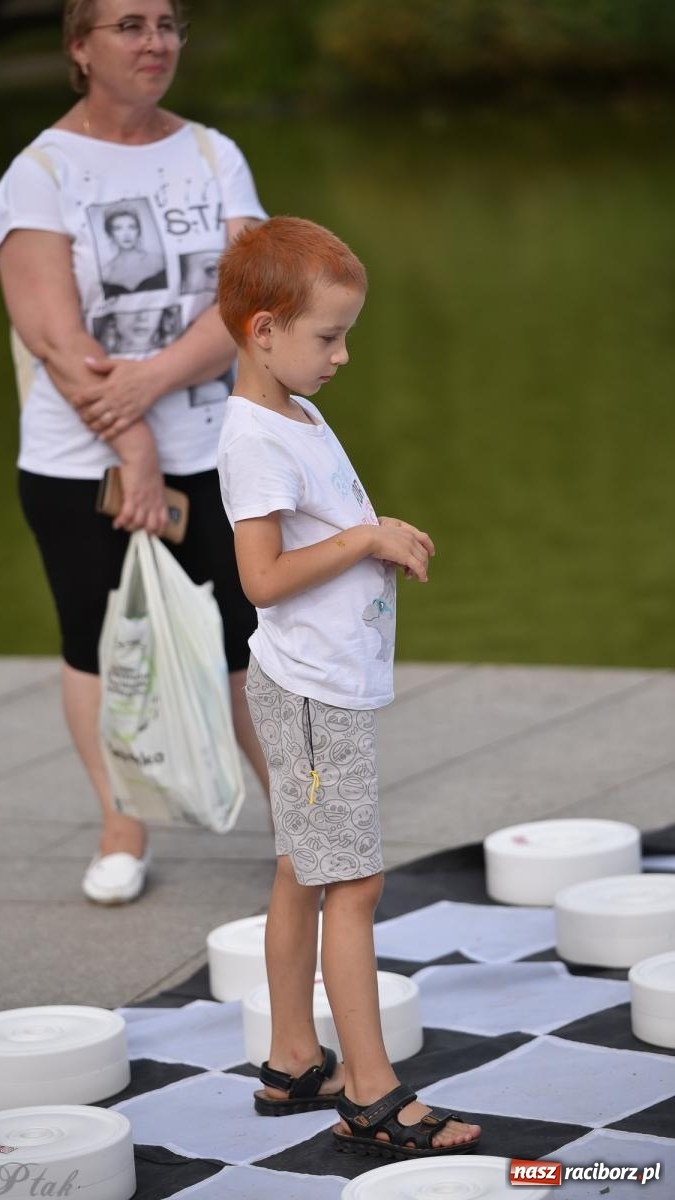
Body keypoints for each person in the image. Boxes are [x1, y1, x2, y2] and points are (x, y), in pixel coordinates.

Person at [0, 0, 269, 905]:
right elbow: (54, 335)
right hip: (80, 467)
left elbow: (248, 298)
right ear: (79, 47)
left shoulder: (213, 156)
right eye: (128, 25)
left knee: (249, 644)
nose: (155, 42)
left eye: (168, 25)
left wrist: (150, 388)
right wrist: (135, 442)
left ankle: (306, 832)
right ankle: (122, 823)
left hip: (217, 449)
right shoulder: (39, 174)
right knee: (100, 646)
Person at [216, 217, 482, 1158]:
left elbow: (322, 522)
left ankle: (293, 1056)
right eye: (327, 336)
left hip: (320, 689)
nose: (342, 353)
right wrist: (364, 541)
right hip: (316, 698)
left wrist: (374, 527)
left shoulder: (293, 408)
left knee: (303, 866)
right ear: (262, 330)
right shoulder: (254, 438)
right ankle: (372, 1094)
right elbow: (259, 578)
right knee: (354, 884)